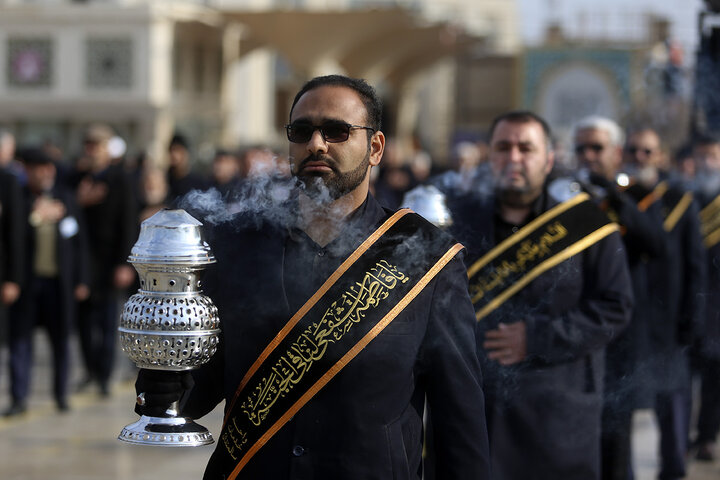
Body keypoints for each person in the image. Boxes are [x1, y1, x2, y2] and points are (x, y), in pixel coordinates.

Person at [133, 75, 490, 479]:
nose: (316, 144)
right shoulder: (237, 245)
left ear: (375, 148)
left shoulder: (427, 257)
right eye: (302, 131)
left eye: (337, 131)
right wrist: (164, 380)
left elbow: (459, 422)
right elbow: (202, 386)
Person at [447, 110, 633, 479]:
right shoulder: (458, 220)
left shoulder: (587, 224)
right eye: (504, 147)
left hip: (558, 417)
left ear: (548, 159)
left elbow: (616, 308)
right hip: (477, 415)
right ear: (491, 156)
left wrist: (537, 337)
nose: (514, 158)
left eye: (526, 148)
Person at [573, 116, 669, 480]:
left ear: (614, 152)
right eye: (580, 147)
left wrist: (614, 196)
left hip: (619, 332)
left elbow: (656, 244)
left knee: (615, 432)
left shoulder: (636, 196)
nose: (587, 155)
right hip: (573, 329)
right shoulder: (559, 193)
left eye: (596, 148)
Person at [622, 127, 706, 479]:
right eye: (634, 151)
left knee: (672, 407)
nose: (640, 158)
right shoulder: (613, 200)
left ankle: (673, 471)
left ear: (659, 157)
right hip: (626, 322)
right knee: (619, 409)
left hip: (669, 321)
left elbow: (695, 264)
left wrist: (694, 317)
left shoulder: (679, 201)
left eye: (647, 152)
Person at [3, 148, 89, 416]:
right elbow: (10, 239)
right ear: (27, 171)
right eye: (37, 168)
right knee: (20, 341)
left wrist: (82, 279)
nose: (44, 173)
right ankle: (19, 398)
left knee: (61, 340)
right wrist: (36, 215)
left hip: (58, 284)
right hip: (28, 282)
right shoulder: (19, 199)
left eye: (47, 168)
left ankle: (61, 394)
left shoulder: (65, 199)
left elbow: (79, 243)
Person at [73, 123, 138, 396]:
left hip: (110, 259)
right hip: (83, 259)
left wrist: (126, 262)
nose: (93, 151)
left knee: (107, 320)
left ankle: (103, 374)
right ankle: (89, 369)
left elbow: (128, 221)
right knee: (84, 320)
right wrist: (81, 200)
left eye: (97, 146)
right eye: (89, 146)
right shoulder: (78, 177)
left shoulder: (119, 178)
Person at [691, 133, 720, 462]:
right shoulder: (688, 198)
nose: (706, 163)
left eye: (713, 156)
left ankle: (707, 435)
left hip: (717, 306)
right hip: (690, 302)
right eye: (702, 156)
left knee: (714, 376)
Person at [166, 133, 209, 203]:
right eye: (171, 151)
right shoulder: (164, 180)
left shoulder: (198, 182)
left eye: (178, 150)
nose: (174, 155)